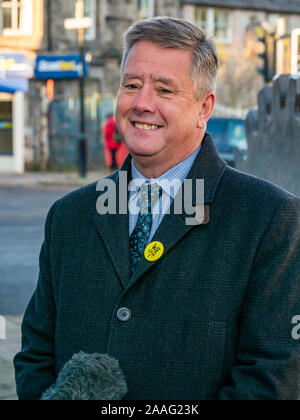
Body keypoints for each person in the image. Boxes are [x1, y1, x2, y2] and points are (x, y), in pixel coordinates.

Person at [14, 17, 300, 400]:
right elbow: (36, 355)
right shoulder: (69, 216)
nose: (142, 103)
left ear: (204, 108)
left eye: (164, 90)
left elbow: (272, 376)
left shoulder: (270, 219)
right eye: (132, 85)